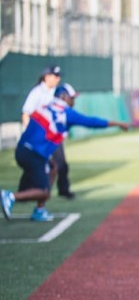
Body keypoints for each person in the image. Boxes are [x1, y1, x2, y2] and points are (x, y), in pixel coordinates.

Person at [1, 84, 130, 222]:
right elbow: (91, 122)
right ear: (63, 97)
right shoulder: (65, 112)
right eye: (72, 98)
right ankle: (10, 197)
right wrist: (118, 123)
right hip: (34, 154)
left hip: (23, 150)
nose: (73, 101)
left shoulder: (45, 107)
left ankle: (39, 210)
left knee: (52, 169)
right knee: (43, 192)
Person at [21, 65, 75, 200]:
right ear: (47, 76)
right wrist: (32, 134)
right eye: (55, 76)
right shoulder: (37, 92)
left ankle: (63, 190)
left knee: (60, 164)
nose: (58, 79)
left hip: (52, 137)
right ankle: (25, 192)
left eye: (58, 76)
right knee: (38, 165)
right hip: (39, 138)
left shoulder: (55, 92)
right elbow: (26, 113)